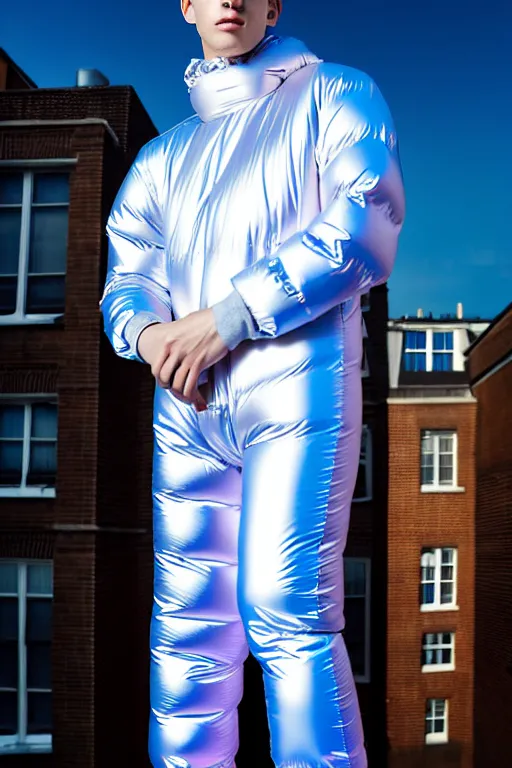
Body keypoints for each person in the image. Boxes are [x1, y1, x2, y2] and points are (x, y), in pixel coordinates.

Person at [100, 1, 405, 766]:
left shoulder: (336, 93)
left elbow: (365, 221)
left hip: (295, 391)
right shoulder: (162, 159)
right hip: (188, 408)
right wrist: (150, 336)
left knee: (287, 612)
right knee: (187, 636)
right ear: (187, 6)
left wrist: (228, 318)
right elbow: (126, 278)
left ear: (273, 6)